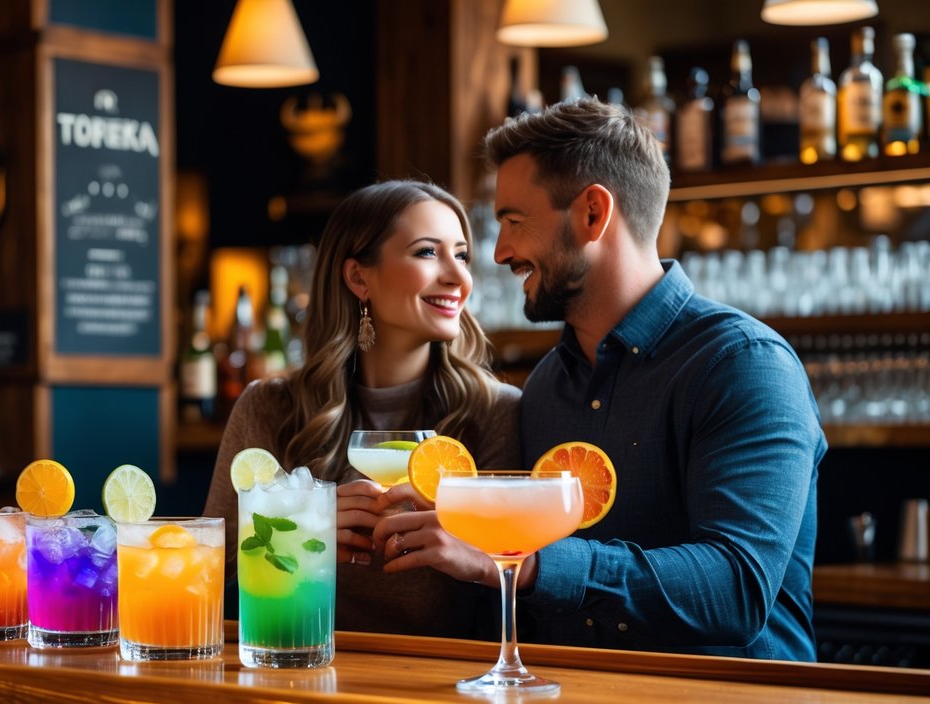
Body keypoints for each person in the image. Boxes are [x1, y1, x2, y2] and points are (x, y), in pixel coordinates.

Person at [374, 99, 825, 661]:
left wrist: (525, 559)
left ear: (592, 213)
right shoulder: (543, 388)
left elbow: (735, 588)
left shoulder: (742, 364)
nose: (499, 251)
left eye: (514, 221)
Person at [203, 180, 520, 639]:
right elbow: (210, 569)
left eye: (462, 254)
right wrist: (296, 537)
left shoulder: (493, 412)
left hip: (445, 684)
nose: (459, 276)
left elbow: (517, 579)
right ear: (358, 278)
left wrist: (467, 546)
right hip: (299, 670)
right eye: (428, 253)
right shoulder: (270, 406)